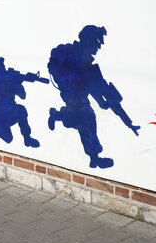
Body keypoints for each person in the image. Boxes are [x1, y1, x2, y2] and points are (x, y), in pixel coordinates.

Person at [47, 25, 139, 169]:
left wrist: (128, 122)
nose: (98, 48)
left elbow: (101, 89)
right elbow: (90, 84)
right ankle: (93, 157)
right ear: (88, 41)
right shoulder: (73, 58)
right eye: (96, 44)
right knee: (85, 119)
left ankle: (59, 115)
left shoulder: (88, 65)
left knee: (87, 119)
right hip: (72, 94)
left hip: (79, 96)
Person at [0, 57, 48, 147]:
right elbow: (21, 95)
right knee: (9, 137)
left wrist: (16, 81)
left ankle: (27, 138)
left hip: (4, 113)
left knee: (20, 112)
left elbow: (21, 94)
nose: (4, 69)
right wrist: (16, 83)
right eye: (1, 67)